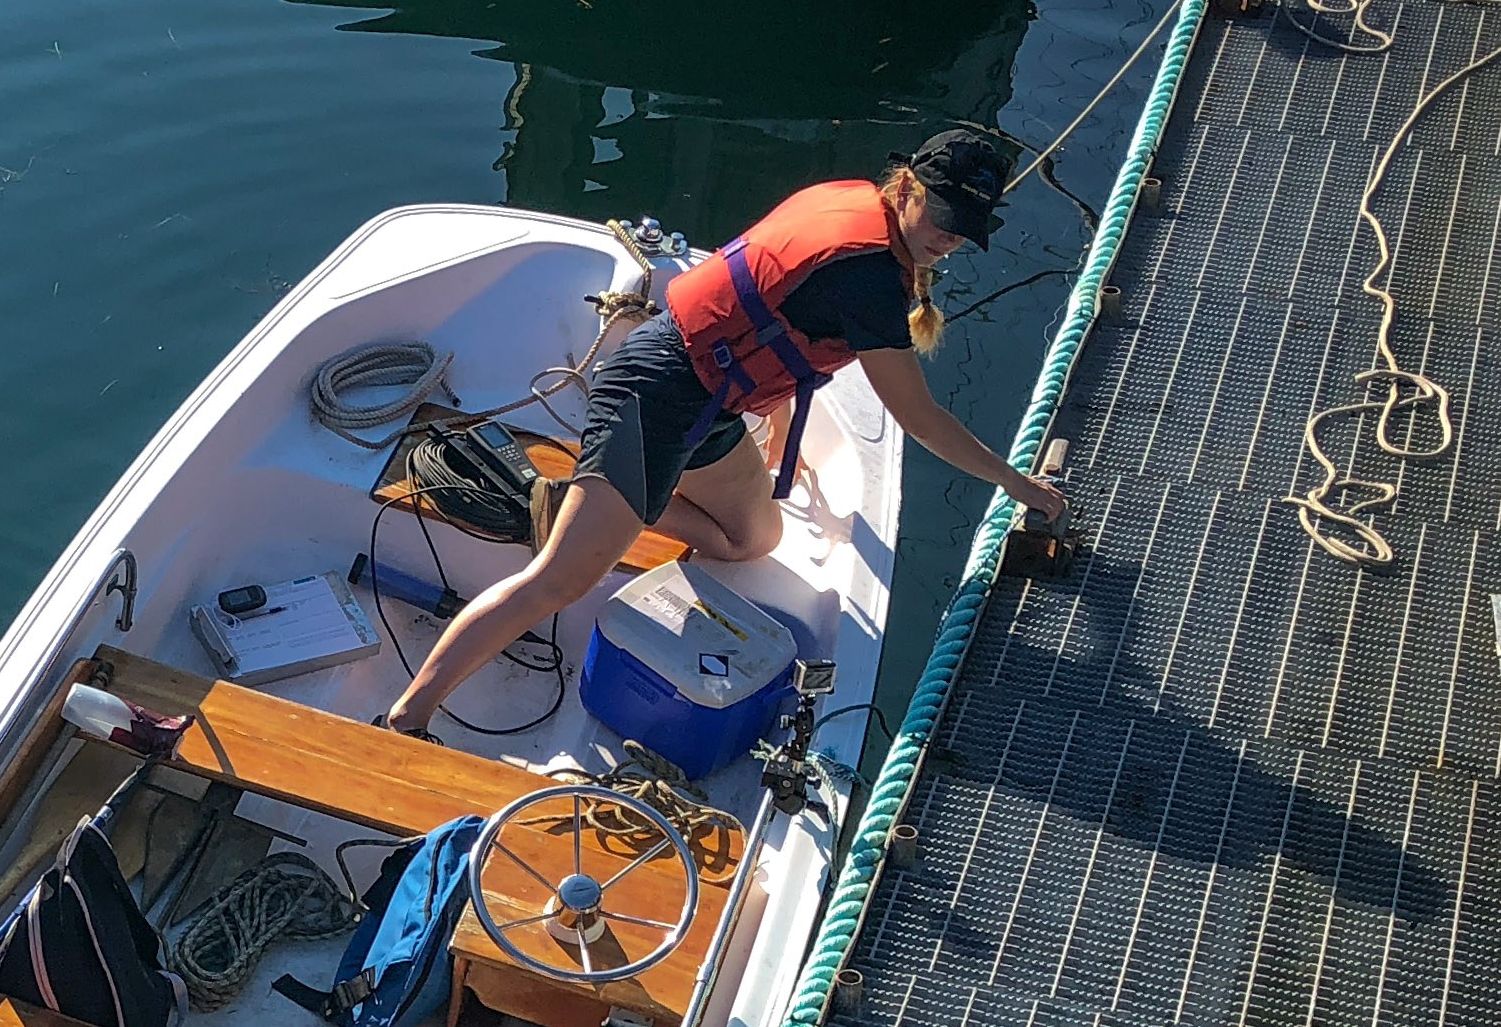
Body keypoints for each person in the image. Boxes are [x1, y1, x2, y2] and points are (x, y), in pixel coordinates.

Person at [381, 127, 1070, 736]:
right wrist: (1018, 487)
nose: (948, 237)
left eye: (964, 228)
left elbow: (777, 309)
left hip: (711, 405)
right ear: (909, 185)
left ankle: (591, 502)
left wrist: (770, 423)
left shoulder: (857, 205)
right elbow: (918, 418)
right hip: (654, 396)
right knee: (558, 581)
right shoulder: (870, 278)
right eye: (943, 215)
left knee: (755, 538)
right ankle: (410, 713)